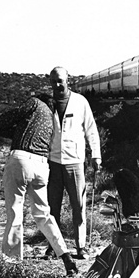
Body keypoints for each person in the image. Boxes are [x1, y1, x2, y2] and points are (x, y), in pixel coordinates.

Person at [0, 96, 78, 276]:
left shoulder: (35, 103)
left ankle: (11, 264)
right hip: (41, 166)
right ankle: (65, 255)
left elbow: (9, 117)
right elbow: (12, 131)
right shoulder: (50, 122)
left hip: (20, 160)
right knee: (43, 214)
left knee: (15, 213)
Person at [46, 67, 102, 259]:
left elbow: (91, 130)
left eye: (60, 80)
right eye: (53, 81)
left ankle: (81, 246)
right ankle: (55, 247)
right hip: (52, 162)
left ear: (67, 80)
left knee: (78, 206)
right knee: (53, 208)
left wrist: (96, 155)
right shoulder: (47, 103)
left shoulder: (80, 102)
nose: (57, 85)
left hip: (75, 162)